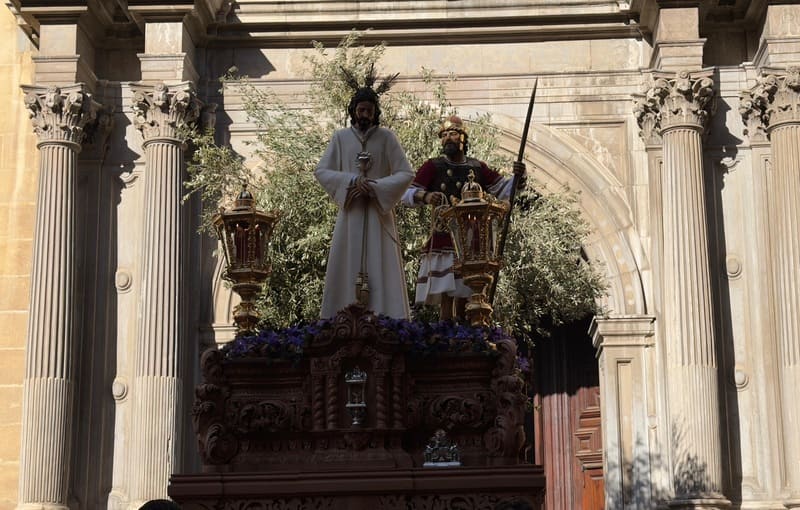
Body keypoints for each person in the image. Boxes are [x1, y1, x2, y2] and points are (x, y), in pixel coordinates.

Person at [402, 115, 526, 320]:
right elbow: (406, 193)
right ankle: (446, 333)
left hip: (471, 239)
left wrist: (519, 177)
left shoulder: (477, 167)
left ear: (463, 138)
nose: (448, 138)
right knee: (446, 296)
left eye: (453, 133)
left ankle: (466, 334)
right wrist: (426, 196)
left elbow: (504, 190)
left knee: (466, 293)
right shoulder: (433, 166)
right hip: (443, 235)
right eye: (444, 135)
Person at [314, 70, 414, 319]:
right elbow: (322, 170)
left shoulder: (386, 137)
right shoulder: (340, 138)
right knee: (345, 262)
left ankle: (386, 320)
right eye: (361, 110)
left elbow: (405, 173)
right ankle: (340, 320)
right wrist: (350, 182)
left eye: (369, 110)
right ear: (353, 111)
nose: (365, 114)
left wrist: (376, 187)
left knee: (382, 262)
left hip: (379, 215)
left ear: (375, 112)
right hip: (351, 212)